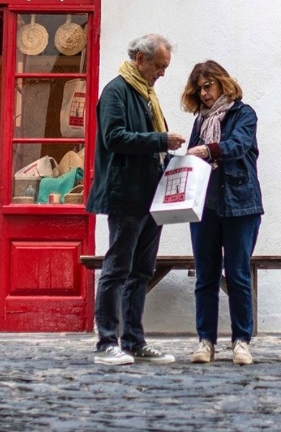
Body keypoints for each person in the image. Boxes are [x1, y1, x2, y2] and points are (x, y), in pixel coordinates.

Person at [85, 33, 186, 365]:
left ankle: (133, 340)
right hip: (126, 194)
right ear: (140, 60)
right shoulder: (116, 91)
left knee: (142, 270)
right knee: (117, 267)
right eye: (159, 65)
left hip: (150, 195)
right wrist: (161, 139)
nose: (162, 73)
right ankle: (106, 342)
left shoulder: (145, 94)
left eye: (165, 66)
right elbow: (114, 137)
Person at [180, 61, 264, 366]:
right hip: (204, 206)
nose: (203, 94)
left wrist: (207, 150)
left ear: (222, 83)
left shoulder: (244, 113)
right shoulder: (200, 121)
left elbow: (238, 145)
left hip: (241, 204)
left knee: (239, 275)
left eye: (208, 86)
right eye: (198, 89)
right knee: (205, 276)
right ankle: (206, 341)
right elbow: (191, 157)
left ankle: (242, 341)